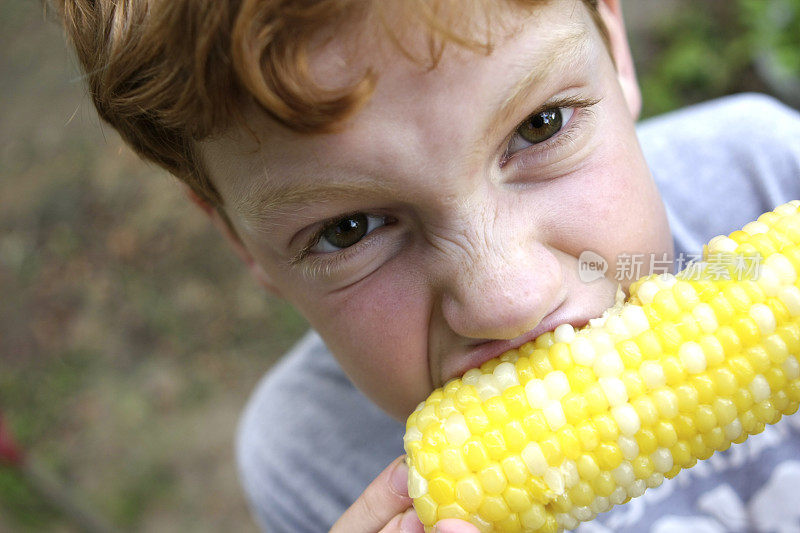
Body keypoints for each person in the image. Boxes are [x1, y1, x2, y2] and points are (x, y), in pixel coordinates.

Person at [55, 0, 800, 531]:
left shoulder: (765, 171)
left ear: (612, 38)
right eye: (349, 229)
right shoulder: (309, 458)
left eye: (539, 126)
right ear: (243, 244)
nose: (507, 296)